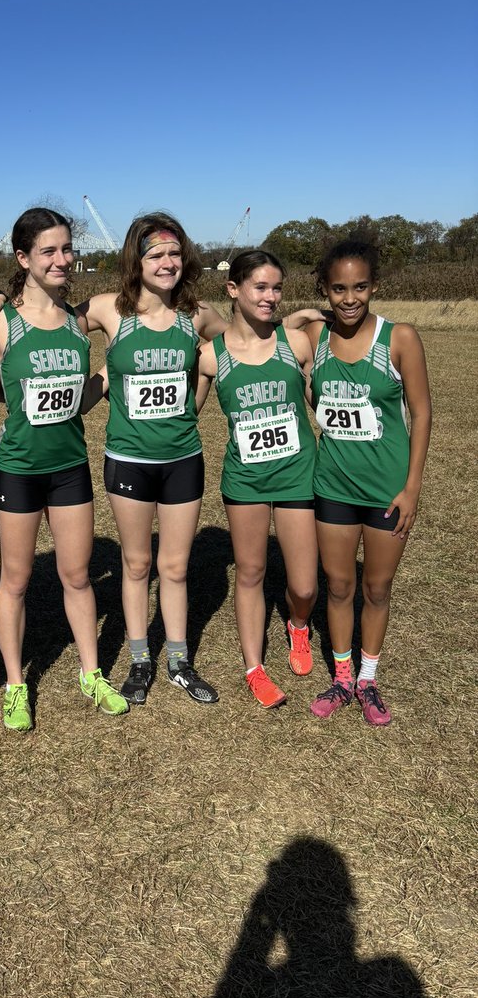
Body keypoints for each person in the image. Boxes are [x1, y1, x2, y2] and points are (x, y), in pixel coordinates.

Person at [0, 207, 129, 731]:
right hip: (18, 469)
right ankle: (16, 684)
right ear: (23, 258)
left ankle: (92, 673)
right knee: (15, 580)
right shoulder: (0, 322)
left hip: (69, 468)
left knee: (76, 575)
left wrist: (108, 377)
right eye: (50, 251)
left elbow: (73, 401)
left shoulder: (77, 320)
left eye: (68, 249)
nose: (63, 259)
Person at [74, 212, 228, 705]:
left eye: (174, 253)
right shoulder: (107, 311)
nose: (167, 262)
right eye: (155, 254)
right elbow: (44, 316)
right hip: (128, 459)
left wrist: (200, 387)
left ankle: (179, 661)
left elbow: (239, 343)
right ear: (135, 261)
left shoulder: (197, 314)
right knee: (137, 564)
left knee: (177, 567)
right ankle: (141, 660)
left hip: (184, 457)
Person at [305, 236, 431, 725]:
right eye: (338, 289)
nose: (350, 298)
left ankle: (368, 678)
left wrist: (412, 487)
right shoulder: (318, 338)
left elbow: (421, 413)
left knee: (376, 589)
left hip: (386, 491)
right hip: (332, 486)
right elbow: (318, 399)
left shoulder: (400, 338)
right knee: (338, 586)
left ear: (374, 285)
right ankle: (341, 677)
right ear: (325, 289)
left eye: (360, 287)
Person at [196, 249, 318, 708]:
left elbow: (319, 400)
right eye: (261, 287)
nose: (272, 297)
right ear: (234, 289)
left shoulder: (297, 343)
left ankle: (299, 625)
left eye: (278, 288)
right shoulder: (211, 356)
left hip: (298, 475)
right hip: (244, 481)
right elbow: (183, 413)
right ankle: (254, 668)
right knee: (250, 572)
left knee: (304, 586)